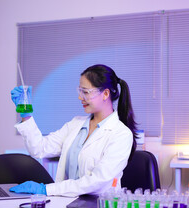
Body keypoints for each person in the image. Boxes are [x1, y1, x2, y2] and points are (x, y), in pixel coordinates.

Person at [10, 64, 137, 197]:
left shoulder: (121, 134)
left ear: (105, 93)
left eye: (86, 92)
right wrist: (26, 115)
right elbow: (39, 148)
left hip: (98, 207)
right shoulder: (76, 124)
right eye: (80, 91)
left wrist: (47, 189)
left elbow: (97, 181)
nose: (80, 97)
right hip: (65, 204)